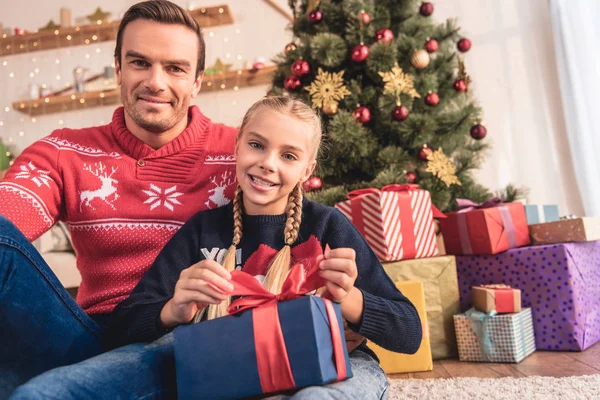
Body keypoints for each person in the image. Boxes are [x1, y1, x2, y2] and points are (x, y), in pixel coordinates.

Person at [11, 96, 422, 400]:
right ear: (237, 145)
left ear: (308, 170)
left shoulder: (328, 225)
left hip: (333, 366)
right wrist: (173, 308)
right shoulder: (203, 229)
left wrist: (349, 299)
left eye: (289, 155)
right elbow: (122, 328)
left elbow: (409, 333)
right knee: (50, 391)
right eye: (257, 145)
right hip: (227, 360)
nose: (268, 164)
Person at [0, 0, 237, 396]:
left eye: (175, 68)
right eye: (140, 63)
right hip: (86, 339)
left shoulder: (241, 152)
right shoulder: (64, 152)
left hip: (191, 339)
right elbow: (10, 215)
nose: (155, 82)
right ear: (118, 69)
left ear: (197, 81)